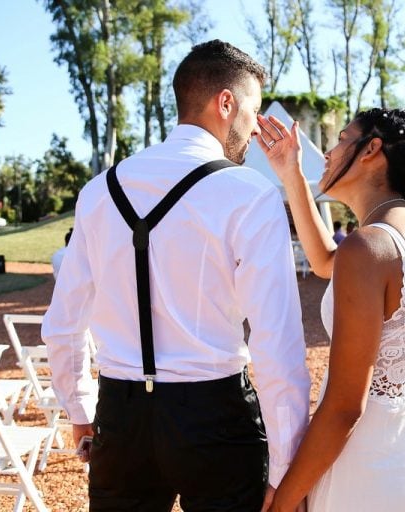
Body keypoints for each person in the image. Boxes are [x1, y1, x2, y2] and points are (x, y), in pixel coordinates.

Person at [42, 40, 310, 512]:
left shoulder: (98, 191)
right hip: (216, 420)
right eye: (252, 110)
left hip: (120, 417)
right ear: (226, 103)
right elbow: (276, 342)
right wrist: (286, 463)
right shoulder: (249, 194)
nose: (253, 129)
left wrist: (80, 409)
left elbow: (64, 323)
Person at [257, 108, 405, 511]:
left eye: (340, 139)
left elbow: (344, 407)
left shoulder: (370, 247)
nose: (329, 154)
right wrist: (291, 173)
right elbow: (324, 262)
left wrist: (284, 501)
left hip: (369, 480)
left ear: (371, 149)